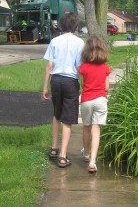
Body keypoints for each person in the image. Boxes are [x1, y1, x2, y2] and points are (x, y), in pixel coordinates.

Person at [43, 12, 84, 168]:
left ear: (61, 25)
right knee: (67, 118)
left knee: (57, 114)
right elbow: (80, 68)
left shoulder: (54, 41)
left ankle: (54, 148)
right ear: (75, 26)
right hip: (70, 81)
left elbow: (49, 66)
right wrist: (84, 85)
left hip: (56, 81)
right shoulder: (80, 43)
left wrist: (45, 87)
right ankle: (62, 156)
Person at [79, 36, 111, 173]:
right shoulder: (105, 67)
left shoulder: (83, 67)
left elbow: (82, 84)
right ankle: (92, 161)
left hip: (86, 100)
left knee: (86, 127)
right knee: (96, 129)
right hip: (100, 100)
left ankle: (86, 153)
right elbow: (107, 87)